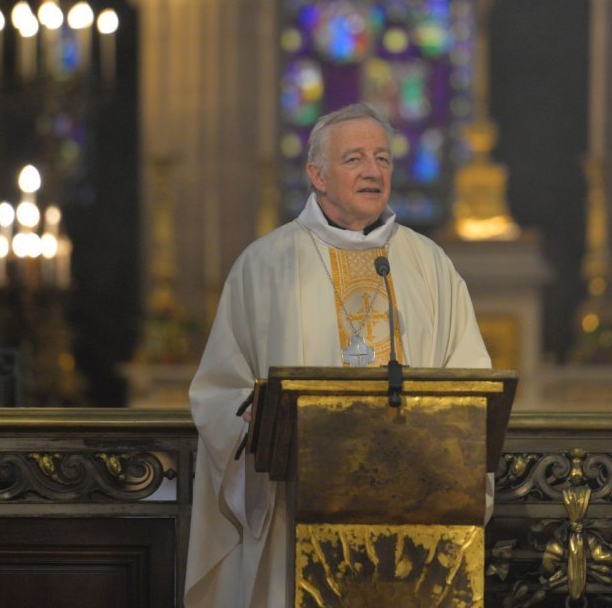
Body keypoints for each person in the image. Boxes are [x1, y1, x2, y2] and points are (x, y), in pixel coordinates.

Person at [185, 102, 491, 608]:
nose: (373, 171)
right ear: (317, 175)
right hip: (298, 502)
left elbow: (471, 384)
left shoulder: (428, 264)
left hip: (411, 509)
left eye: (383, 159)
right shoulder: (264, 266)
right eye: (354, 159)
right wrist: (258, 422)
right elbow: (220, 392)